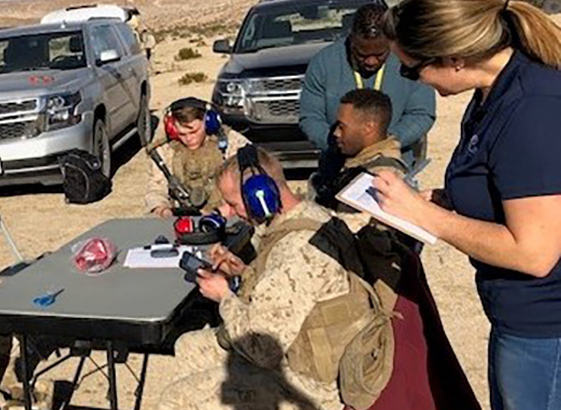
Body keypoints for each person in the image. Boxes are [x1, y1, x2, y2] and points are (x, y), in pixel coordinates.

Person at [373, 1, 561, 409]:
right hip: (519, 320)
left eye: (411, 69)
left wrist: (431, 218)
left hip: (546, 330)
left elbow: (535, 253)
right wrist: (451, 201)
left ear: (454, 59)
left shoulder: (530, 107)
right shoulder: (494, 95)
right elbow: (511, 187)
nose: (414, 82)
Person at [158, 146, 385, 410]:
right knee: (190, 347)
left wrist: (223, 296)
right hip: (307, 351)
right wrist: (244, 272)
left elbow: (262, 350)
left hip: (314, 386)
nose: (230, 212)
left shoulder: (297, 251)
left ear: (259, 195)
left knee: (177, 398)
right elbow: (285, 291)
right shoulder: (310, 215)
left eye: (233, 203)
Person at [299, 3, 436, 167]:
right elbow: (310, 117)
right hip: (337, 169)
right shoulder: (323, 63)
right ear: (351, 40)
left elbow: (422, 114)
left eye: (380, 54)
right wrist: (340, 143)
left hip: (392, 168)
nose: (371, 61)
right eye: (361, 54)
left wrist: (384, 142)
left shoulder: (409, 60)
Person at [145, 97, 250, 217]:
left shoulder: (233, 143)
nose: (189, 139)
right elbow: (156, 188)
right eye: (182, 134)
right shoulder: (165, 151)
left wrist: (233, 207)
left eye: (194, 132)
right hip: (182, 218)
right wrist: (162, 210)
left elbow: (252, 182)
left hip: (229, 215)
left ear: (208, 122)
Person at [310, 89, 407, 210]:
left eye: (342, 127)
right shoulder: (349, 161)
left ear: (368, 128)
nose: (336, 133)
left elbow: (354, 225)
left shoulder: (381, 175)